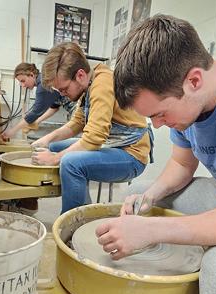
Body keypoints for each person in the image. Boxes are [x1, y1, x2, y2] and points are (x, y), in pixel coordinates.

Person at [95, 14, 216, 294]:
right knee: (137, 194)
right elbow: (181, 164)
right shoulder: (189, 98)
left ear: (194, 80)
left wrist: (152, 231)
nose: (158, 125)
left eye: (160, 114)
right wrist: (150, 195)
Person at [31, 42, 153, 214]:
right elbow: (76, 124)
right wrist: (47, 139)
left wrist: (54, 159)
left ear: (80, 75)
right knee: (54, 147)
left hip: (131, 155)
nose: (62, 94)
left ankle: (71, 226)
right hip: (112, 145)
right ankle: (84, 207)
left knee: (69, 163)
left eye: (64, 89)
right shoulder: (89, 82)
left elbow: (94, 138)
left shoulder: (102, 84)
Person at [1, 62, 74, 141]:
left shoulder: (42, 85)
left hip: (78, 108)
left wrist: (12, 131)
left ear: (32, 75)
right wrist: (37, 121)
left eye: (23, 81)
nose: (23, 85)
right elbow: (54, 107)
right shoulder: (44, 80)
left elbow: (35, 112)